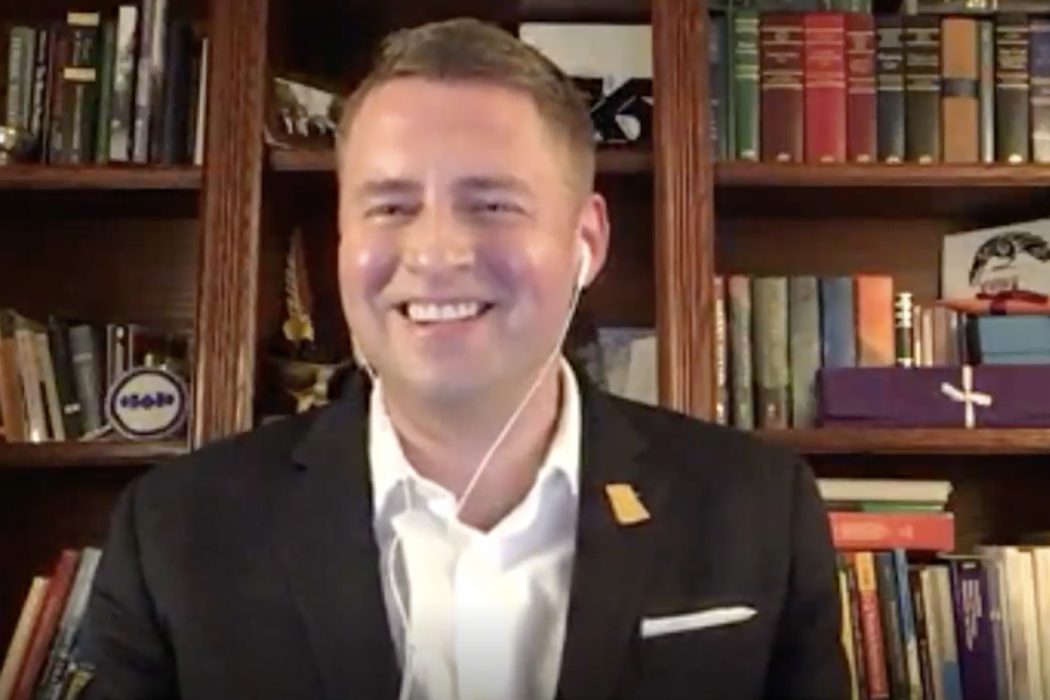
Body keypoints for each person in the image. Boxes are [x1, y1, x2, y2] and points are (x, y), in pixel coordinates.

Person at [76, 17, 849, 700]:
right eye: (390, 206)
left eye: (491, 205)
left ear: (587, 242)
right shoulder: (178, 530)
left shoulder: (758, 513)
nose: (436, 252)